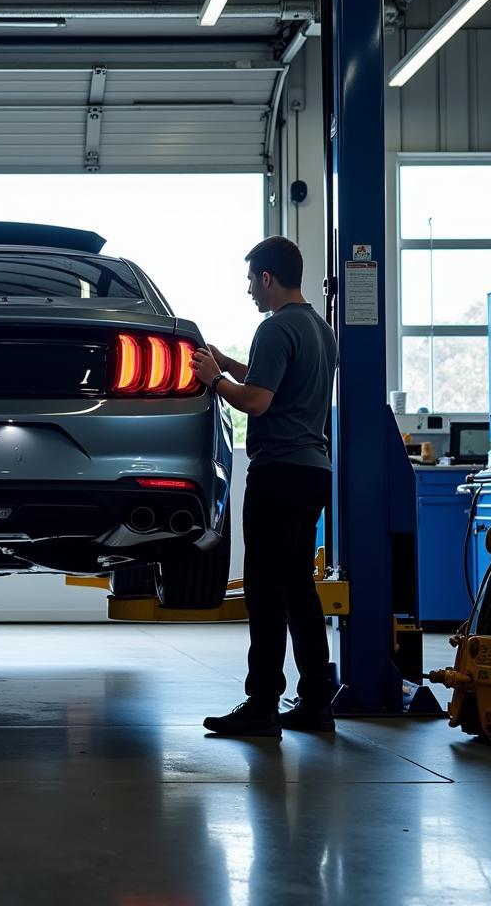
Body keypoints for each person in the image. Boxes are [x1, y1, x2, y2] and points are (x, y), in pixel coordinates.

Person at [191, 236, 338, 737]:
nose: (250, 290)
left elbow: (256, 401)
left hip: (277, 473)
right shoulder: (319, 329)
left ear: (267, 278)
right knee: (299, 587)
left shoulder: (274, 328)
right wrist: (226, 363)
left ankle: (262, 706)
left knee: (265, 590)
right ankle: (317, 701)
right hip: (314, 471)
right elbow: (271, 380)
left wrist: (213, 380)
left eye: (252, 280)